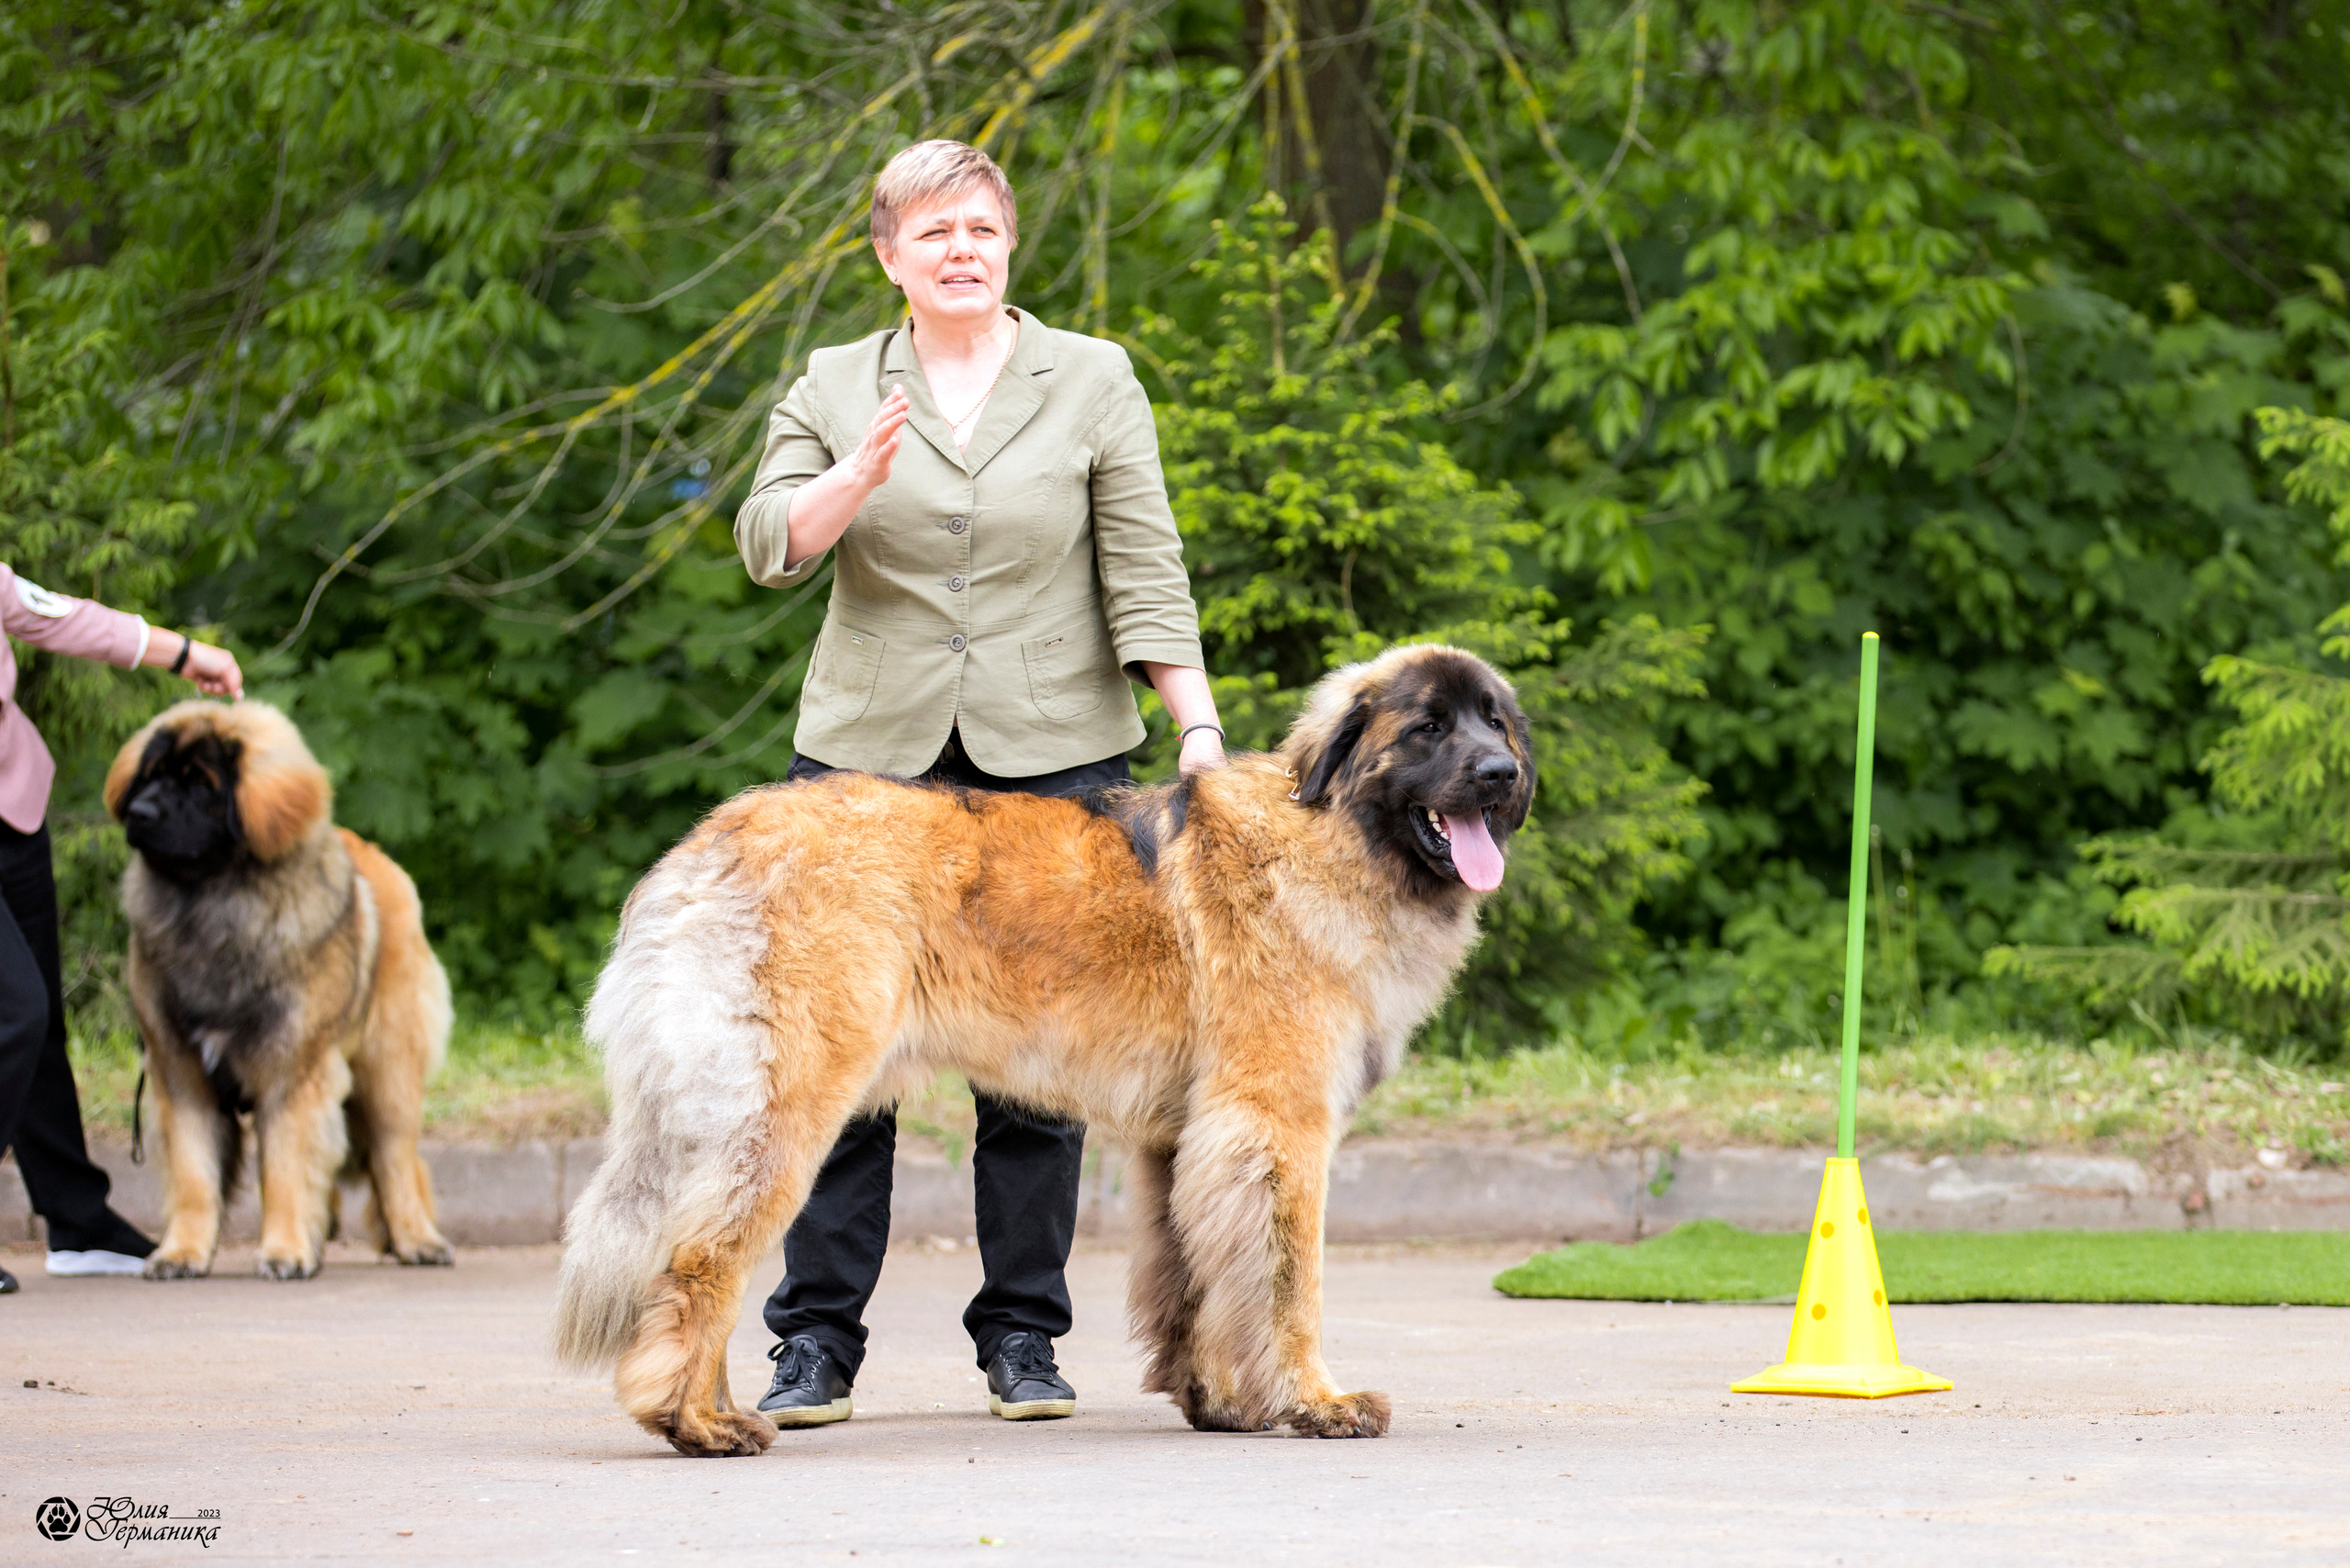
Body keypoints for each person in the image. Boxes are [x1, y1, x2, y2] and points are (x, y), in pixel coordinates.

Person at [733, 140, 1225, 1426]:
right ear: (888, 253)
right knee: (839, 1061)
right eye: (935, 231)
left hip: (1053, 745)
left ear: (1010, 247)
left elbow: (1146, 565)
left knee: (1041, 1062)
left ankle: (1023, 1339)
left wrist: (1199, 736)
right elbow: (764, 545)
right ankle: (815, 1345)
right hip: (867, 754)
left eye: (982, 230)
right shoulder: (838, 381)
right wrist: (844, 484)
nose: (962, 250)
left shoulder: (1094, 378)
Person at [0, 563, 243, 1294]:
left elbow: (53, 614)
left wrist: (183, 653)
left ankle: (76, 1220)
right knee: (14, 1014)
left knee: (38, 1024)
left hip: (12, 806)